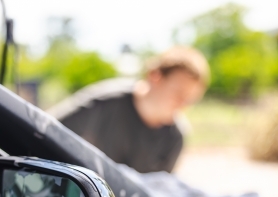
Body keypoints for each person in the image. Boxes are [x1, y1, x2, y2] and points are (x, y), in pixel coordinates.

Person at [48, 46, 210, 173]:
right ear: (155, 76)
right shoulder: (102, 104)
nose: (183, 105)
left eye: (190, 99)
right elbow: (43, 131)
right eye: (179, 93)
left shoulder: (175, 136)